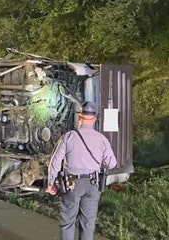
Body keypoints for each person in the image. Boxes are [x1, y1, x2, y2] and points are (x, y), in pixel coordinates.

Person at [46, 101, 118, 240]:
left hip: (72, 184)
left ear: (79, 117)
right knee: (88, 222)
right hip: (93, 184)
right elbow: (111, 163)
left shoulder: (69, 137)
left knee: (68, 222)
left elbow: (55, 162)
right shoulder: (102, 139)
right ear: (95, 119)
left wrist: (51, 183)